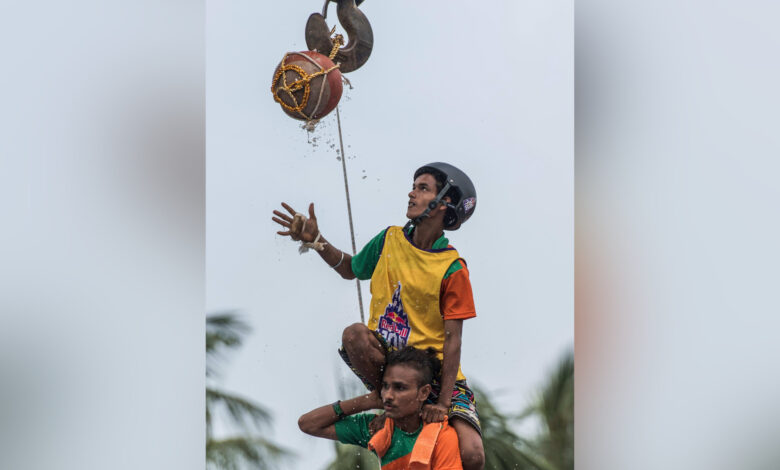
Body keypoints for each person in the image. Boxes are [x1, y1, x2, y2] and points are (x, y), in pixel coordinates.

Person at [273, 162, 484, 469]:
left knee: (473, 453)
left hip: (436, 375)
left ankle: (403, 403)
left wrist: (441, 403)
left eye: (423, 188)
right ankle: (387, 401)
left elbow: (453, 342)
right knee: (354, 335)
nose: (411, 193)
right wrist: (316, 241)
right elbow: (350, 269)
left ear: (445, 202)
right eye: (413, 186)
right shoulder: (389, 238)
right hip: (391, 367)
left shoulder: (453, 268)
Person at [298, 346, 463, 470]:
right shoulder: (376, 428)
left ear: (423, 392)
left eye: (400, 388)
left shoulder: (442, 436)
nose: (388, 395)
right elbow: (308, 424)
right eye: (385, 386)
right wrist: (368, 401)